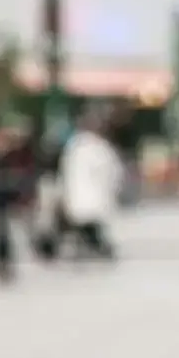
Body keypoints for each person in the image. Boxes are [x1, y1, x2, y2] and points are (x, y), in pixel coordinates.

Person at [57, 110, 124, 260]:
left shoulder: (76, 146)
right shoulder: (97, 147)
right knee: (89, 224)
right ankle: (97, 247)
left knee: (87, 224)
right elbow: (112, 170)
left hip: (82, 197)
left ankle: (93, 247)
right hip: (91, 196)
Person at [0, 127, 33, 282]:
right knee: (1, 231)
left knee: (5, 231)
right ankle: (1, 262)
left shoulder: (11, 157)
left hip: (6, 197)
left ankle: (5, 261)